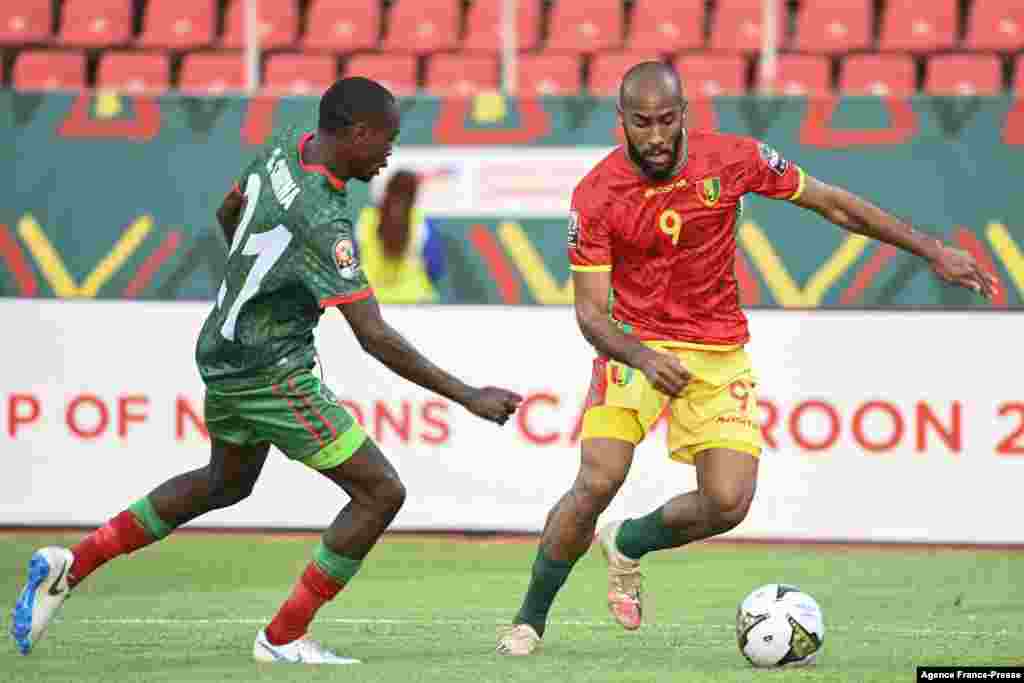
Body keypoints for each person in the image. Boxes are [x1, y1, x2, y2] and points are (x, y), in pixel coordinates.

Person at [10, 77, 523, 665]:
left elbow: (228, 209)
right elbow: (374, 336)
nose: (389, 154)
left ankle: (72, 566)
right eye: (386, 140)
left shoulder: (284, 146)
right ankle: (282, 638)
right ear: (357, 133)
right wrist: (467, 395)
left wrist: (265, 284)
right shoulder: (326, 221)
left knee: (224, 482)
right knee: (380, 492)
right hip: (270, 371)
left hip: (223, 352)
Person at [496, 61, 998, 656]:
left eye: (665, 120)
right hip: (634, 347)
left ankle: (629, 542)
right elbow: (590, 315)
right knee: (597, 480)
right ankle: (529, 620)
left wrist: (932, 250)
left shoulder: (736, 159)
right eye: (640, 123)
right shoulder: (597, 195)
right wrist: (643, 356)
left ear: (684, 114)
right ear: (621, 122)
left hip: (717, 349)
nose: (654, 136)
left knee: (729, 502)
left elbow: (833, 205)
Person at [356, 169, 450, 303]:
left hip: (372, 304)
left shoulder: (366, 219)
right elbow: (435, 268)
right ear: (415, 194)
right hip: (416, 301)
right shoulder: (420, 222)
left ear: (387, 189)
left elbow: (350, 263)